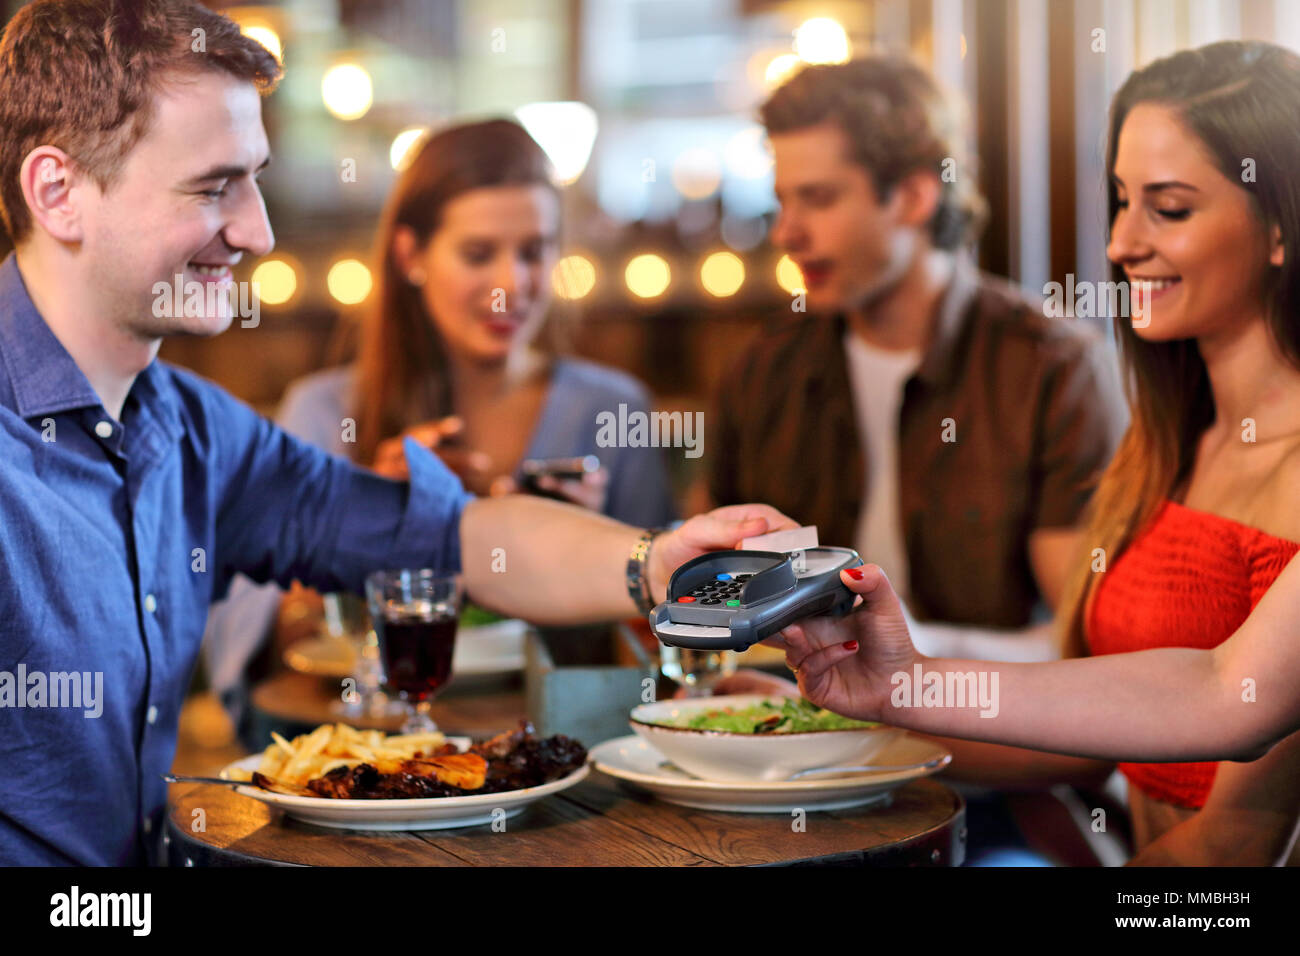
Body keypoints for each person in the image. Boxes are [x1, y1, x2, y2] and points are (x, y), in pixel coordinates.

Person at [0, 0, 793, 866]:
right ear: (58, 193)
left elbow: (457, 536)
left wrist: (658, 562)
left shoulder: (191, 427)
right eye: (212, 186)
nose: (256, 231)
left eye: (257, 178)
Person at [770, 41, 1300, 866]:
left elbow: (1236, 821)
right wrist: (876, 696)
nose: (1122, 242)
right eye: (1122, 201)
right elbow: (1091, 712)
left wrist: (905, 685)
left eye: (1169, 208)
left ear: (1280, 227)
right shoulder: (1167, 444)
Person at [706, 54, 1126, 864]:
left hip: (994, 785)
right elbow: (720, 596)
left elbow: (1085, 652)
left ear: (913, 195)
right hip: (787, 774)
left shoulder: (1048, 365)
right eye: (784, 198)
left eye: (819, 199)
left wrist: (878, 678)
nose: (787, 232)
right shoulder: (764, 370)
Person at [201, 119, 676, 722]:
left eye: (534, 251)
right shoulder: (324, 412)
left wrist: (588, 545)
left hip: (568, 749)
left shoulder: (611, 410)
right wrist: (365, 517)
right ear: (411, 255)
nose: (512, 285)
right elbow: (252, 662)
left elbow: (666, 642)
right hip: (379, 762)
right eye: (479, 254)